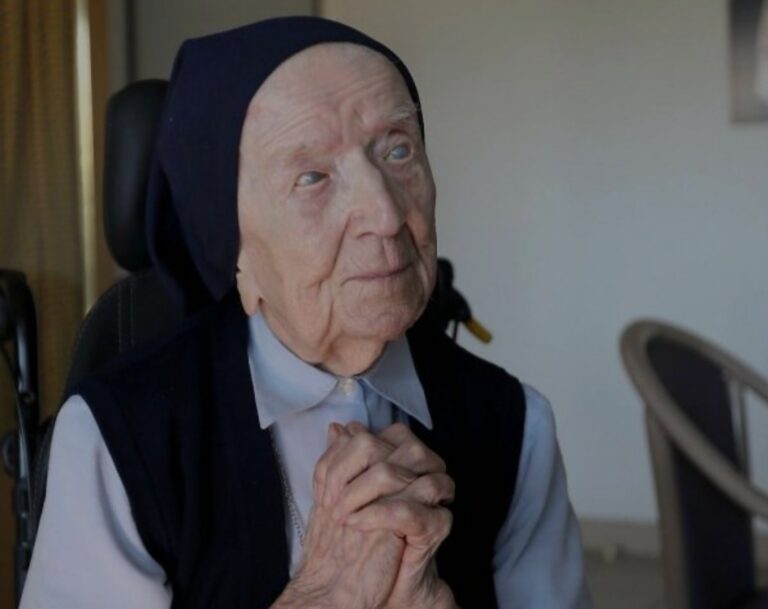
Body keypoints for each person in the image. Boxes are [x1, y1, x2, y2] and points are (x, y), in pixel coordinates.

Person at [20, 17, 592, 609]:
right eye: (314, 177)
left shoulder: (515, 424)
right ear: (235, 251)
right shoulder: (115, 437)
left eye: (398, 149)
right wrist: (321, 595)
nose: (387, 214)